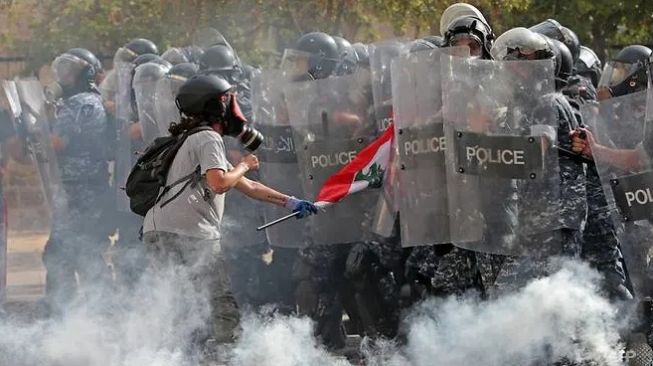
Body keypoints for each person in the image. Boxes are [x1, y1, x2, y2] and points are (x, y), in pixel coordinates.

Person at [141, 74, 317, 346]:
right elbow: (220, 183)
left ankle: (175, 355)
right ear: (214, 106)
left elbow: (247, 187)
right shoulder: (209, 138)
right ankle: (228, 357)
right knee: (221, 303)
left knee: (178, 301)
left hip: (157, 229)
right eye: (225, 101)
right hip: (189, 231)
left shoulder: (189, 137)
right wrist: (245, 163)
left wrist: (291, 202)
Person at [43, 48, 113, 314]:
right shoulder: (89, 102)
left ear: (87, 74)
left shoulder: (80, 103)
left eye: (70, 71)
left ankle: (65, 310)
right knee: (82, 251)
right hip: (84, 190)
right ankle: (95, 310)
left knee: (67, 252)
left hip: (79, 191)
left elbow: (58, 143)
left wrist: (34, 133)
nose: (63, 77)